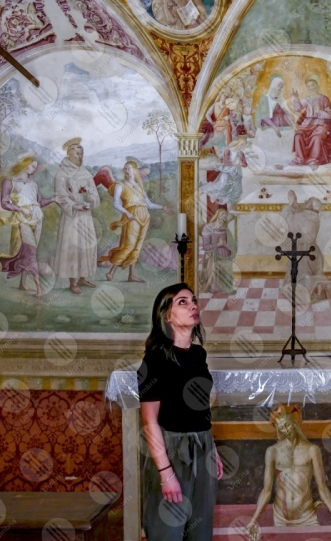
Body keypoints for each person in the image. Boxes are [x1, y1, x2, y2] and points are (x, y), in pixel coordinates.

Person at [138, 283, 224, 541]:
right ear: (167, 315)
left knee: (200, 530)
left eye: (194, 301)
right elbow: (149, 421)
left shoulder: (198, 354)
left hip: (203, 446)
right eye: (182, 302)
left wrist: (213, 449)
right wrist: (166, 474)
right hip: (172, 448)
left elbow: (199, 407)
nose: (193, 306)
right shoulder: (154, 360)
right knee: (168, 530)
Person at [246, 405, 331, 541]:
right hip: (281, 516)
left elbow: (322, 487)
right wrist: (253, 521)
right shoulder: (273, 451)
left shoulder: (312, 450)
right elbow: (266, 490)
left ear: (294, 424)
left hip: (307, 515)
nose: (285, 431)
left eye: (287, 426)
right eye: (281, 428)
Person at [0, 153, 62, 299]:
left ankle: (22, 284)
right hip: (22, 220)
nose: (34, 169)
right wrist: (21, 209)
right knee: (30, 252)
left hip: (38, 219)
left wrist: (54, 199)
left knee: (29, 251)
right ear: (24, 164)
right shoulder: (9, 181)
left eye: (36, 167)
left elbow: (40, 203)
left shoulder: (33, 184)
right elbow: (4, 203)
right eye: (32, 166)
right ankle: (39, 287)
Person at [99, 161, 173, 283]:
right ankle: (111, 272)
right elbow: (116, 204)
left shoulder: (139, 187)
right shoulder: (120, 185)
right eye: (125, 169)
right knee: (128, 246)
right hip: (132, 217)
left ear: (134, 171)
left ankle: (131, 275)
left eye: (129, 169)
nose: (126, 171)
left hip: (145, 217)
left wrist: (162, 207)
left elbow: (148, 204)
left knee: (137, 247)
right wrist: (127, 213)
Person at [54, 137, 100, 295]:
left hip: (85, 216)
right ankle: (72, 281)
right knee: (73, 247)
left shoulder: (85, 172)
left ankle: (82, 277)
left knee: (86, 246)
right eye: (78, 154)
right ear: (70, 154)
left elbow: (94, 192)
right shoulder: (61, 173)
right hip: (71, 217)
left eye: (82, 154)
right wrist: (74, 205)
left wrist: (91, 198)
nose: (81, 157)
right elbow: (60, 197)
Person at [290, 75, 331, 167]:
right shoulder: (307, 99)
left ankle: (314, 159)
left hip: (322, 124)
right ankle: (300, 159)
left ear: (317, 85)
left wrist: (319, 112)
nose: (311, 87)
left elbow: (330, 116)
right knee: (298, 136)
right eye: (309, 86)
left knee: (317, 137)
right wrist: (296, 98)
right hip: (307, 124)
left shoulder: (324, 99)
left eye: (313, 85)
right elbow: (298, 108)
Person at [199, 209, 237, 295]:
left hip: (225, 254)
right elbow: (206, 246)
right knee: (215, 270)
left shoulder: (225, 228)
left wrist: (226, 245)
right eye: (222, 214)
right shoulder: (208, 228)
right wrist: (218, 244)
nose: (224, 217)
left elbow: (232, 243)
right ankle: (215, 288)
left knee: (227, 271)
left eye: (225, 215)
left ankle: (227, 288)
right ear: (217, 215)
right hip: (213, 255)